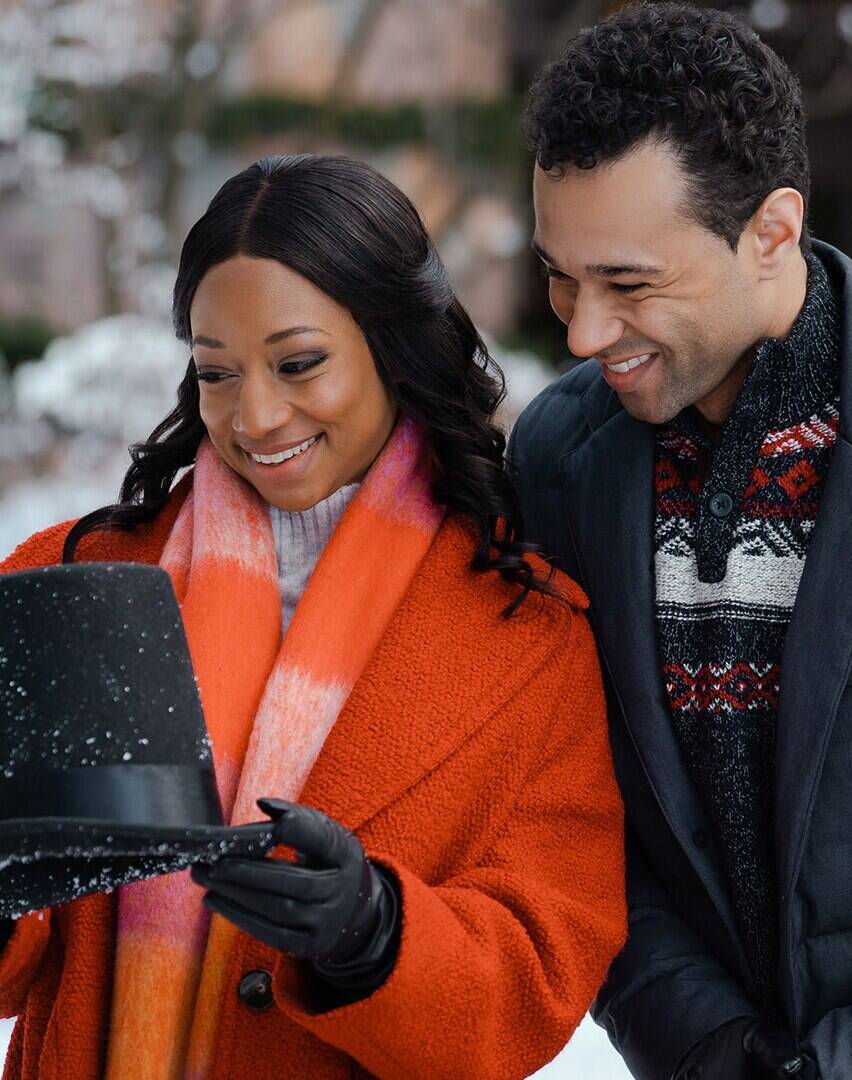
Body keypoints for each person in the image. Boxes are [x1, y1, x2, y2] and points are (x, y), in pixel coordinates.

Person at [508, 5, 852, 1079]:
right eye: (559, 275)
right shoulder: (556, 460)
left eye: (629, 283)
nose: (582, 331)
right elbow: (576, 823)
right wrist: (710, 1049)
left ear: (771, 231)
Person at [0, 153, 627, 1080]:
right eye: (216, 373)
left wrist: (374, 933)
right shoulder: (70, 580)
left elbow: (543, 967)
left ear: (395, 346)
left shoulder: (530, 639)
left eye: (299, 363)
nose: (255, 416)